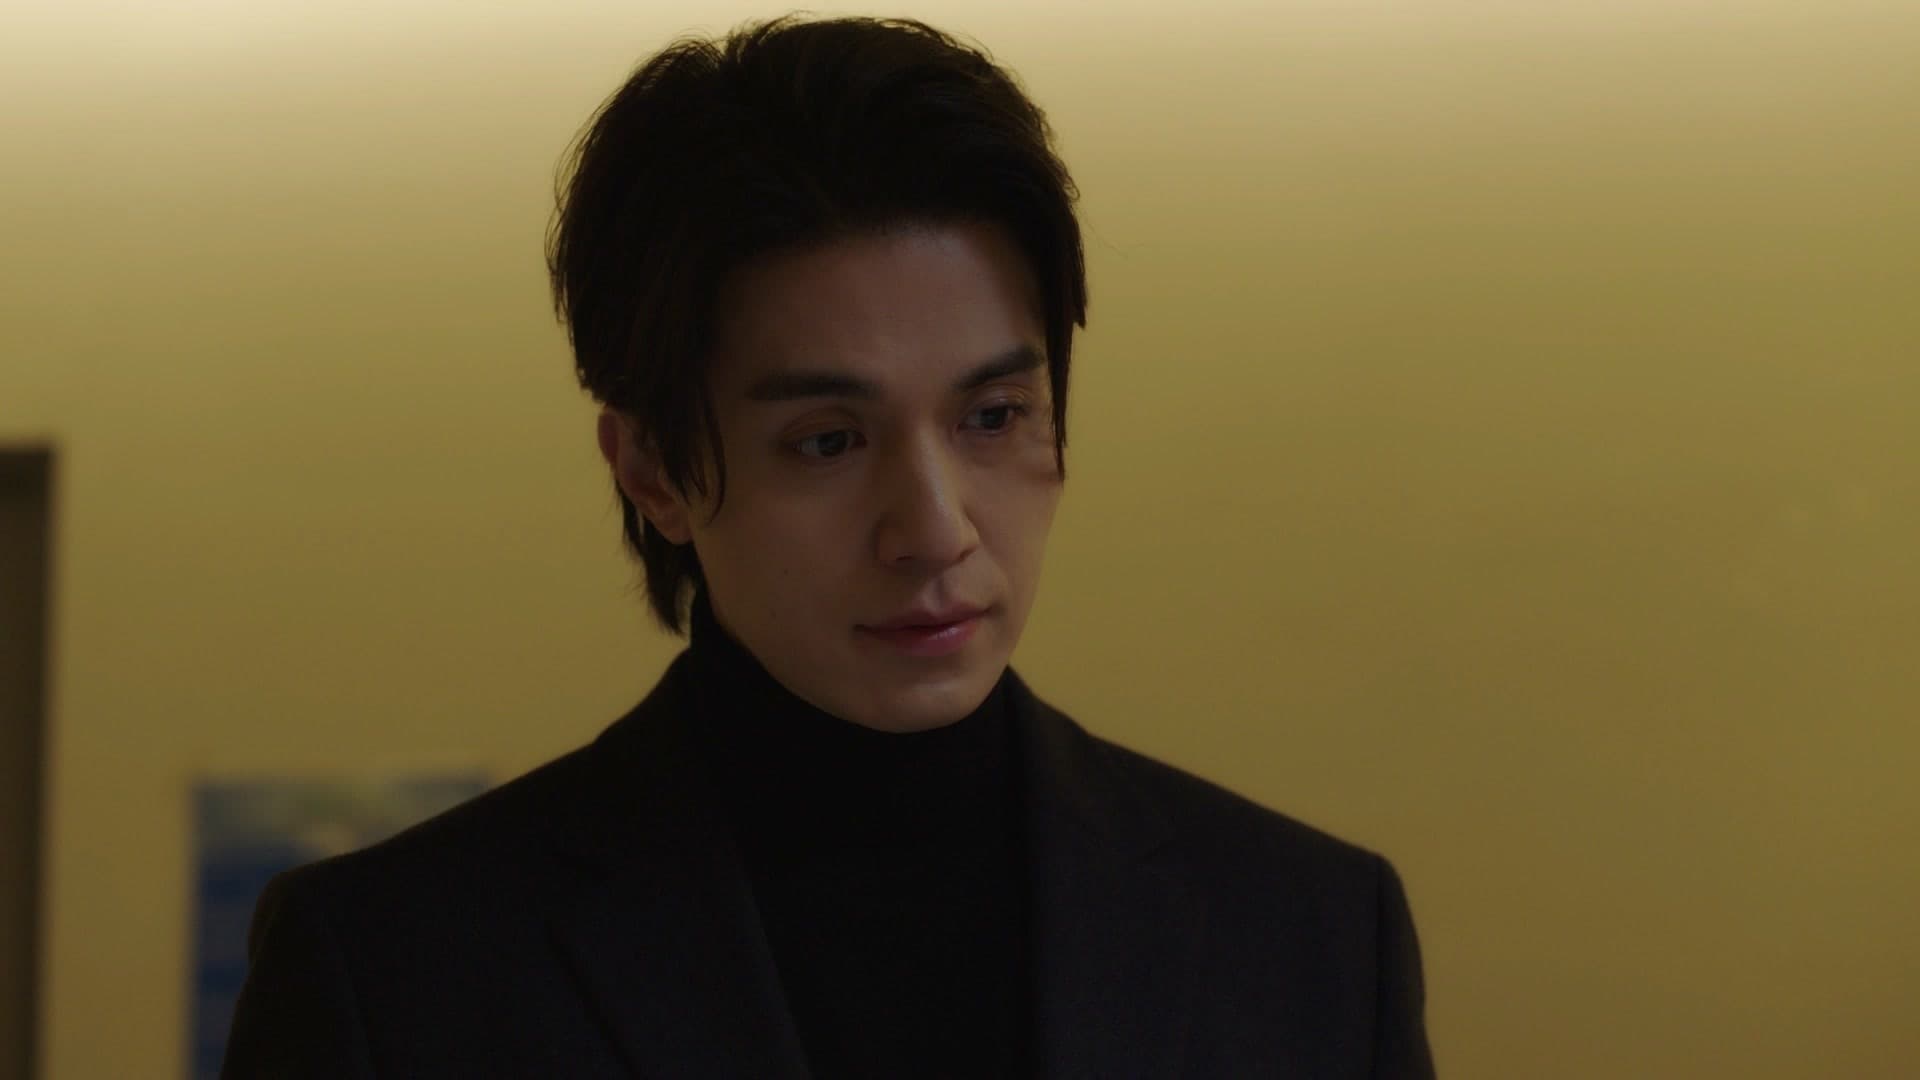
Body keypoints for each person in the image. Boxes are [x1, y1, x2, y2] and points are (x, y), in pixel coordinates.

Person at [222, 14, 1435, 1078]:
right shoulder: (397, 970)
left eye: (992, 417)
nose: (936, 530)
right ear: (652, 471)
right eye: (828, 441)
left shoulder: (1312, 935)